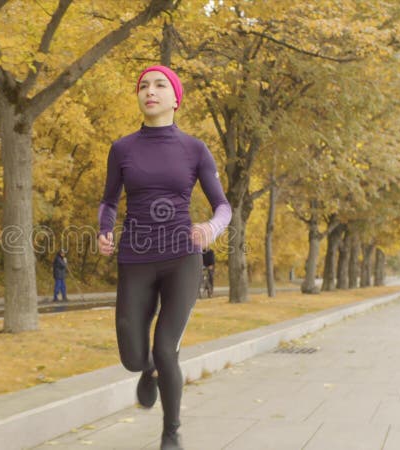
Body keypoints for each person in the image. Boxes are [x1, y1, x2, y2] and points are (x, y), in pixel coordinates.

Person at [97, 65, 231, 450]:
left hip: (181, 259)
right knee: (133, 356)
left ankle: (171, 431)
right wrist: (104, 229)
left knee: (165, 346)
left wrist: (210, 229)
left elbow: (223, 206)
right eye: (143, 85)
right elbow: (109, 200)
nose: (149, 91)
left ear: (175, 98)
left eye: (159, 85)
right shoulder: (122, 149)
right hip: (135, 258)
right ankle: (147, 369)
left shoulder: (194, 149)